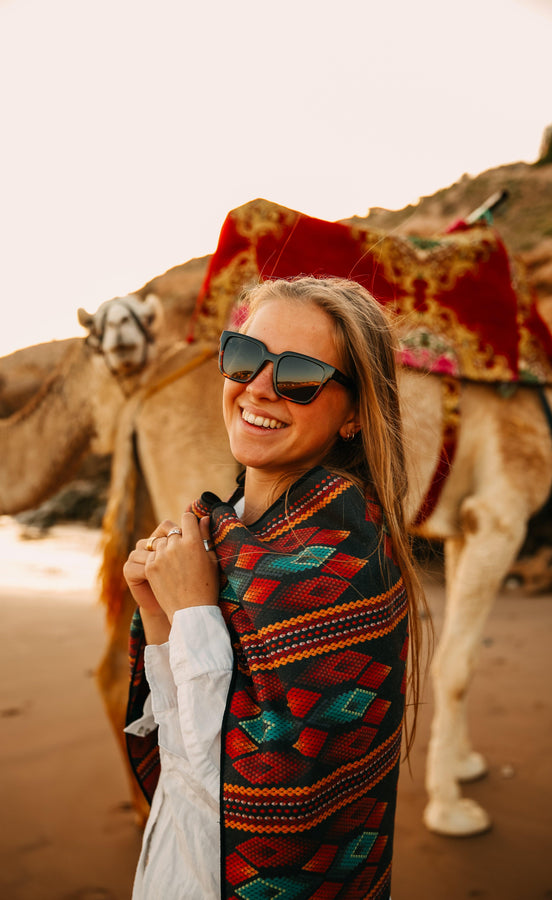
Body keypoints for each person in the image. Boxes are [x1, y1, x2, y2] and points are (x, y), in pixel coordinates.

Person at [123, 275, 427, 900]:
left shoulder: (344, 562)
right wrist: (162, 614)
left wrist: (197, 613)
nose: (257, 387)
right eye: (243, 356)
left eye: (298, 377)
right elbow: (182, 766)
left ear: (354, 414)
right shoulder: (226, 530)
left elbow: (251, 799)